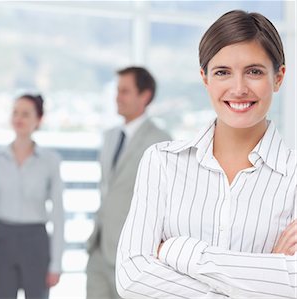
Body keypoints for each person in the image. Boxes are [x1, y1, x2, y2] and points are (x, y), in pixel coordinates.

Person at [116, 10, 296, 299]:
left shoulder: (294, 176)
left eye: (254, 71)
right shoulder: (162, 161)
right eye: (223, 72)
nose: (238, 88)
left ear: (278, 77)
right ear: (205, 78)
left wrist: (182, 253)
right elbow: (131, 275)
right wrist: (267, 274)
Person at [86, 66, 171, 299]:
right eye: (117, 90)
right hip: (99, 249)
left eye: (124, 91)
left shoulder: (161, 142)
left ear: (144, 96)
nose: (117, 97)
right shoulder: (109, 136)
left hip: (134, 255)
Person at [0, 94, 64, 299]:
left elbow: (58, 214)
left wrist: (57, 263)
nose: (19, 118)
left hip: (36, 242)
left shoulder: (50, 161)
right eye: (15, 112)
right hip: (2, 241)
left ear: (38, 119)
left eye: (26, 114)